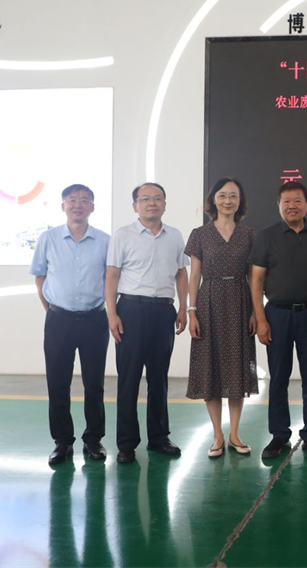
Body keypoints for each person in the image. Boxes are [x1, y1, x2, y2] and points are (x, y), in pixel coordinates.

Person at [105, 182, 189, 464]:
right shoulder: (122, 235)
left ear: (165, 204)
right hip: (131, 310)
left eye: (157, 198)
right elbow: (112, 275)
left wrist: (183, 308)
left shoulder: (174, 236)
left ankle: (159, 437)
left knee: (159, 378)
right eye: (145, 199)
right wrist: (112, 314)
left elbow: (181, 274)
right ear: (135, 206)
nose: (152, 203)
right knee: (128, 379)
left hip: (164, 311)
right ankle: (126, 444)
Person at [30, 184, 111, 465]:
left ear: (92, 207)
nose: (78, 204)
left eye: (84, 200)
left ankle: (94, 440)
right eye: (72, 200)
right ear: (63, 206)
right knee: (58, 383)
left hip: (94, 319)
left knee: (94, 384)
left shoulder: (105, 241)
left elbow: (111, 280)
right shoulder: (48, 238)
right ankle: (62, 442)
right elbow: (40, 278)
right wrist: (52, 310)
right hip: (59, 320)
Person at [250, 181, 307, 461]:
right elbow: (256, 280)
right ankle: (279, 435)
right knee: (279, 377)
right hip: (277, 315)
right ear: (279, 205)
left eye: (297, 201)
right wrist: (261, 319)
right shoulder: (267, 236)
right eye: (286, 202)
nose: (292, 206)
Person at [185, 178, 258, 459]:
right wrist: (192, 311)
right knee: (210, 368)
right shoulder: (199, 234)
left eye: (233, 196)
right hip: (208, 302)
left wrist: (255, 311)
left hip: (240, 301)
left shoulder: (249, 234)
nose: (228, 201)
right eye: (222, 195)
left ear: (240, 202)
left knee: (237, 368)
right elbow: (194, 276)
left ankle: (235, 433)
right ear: (213, 199)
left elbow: (254, 278)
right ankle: (217, 435)